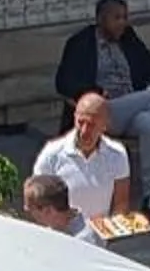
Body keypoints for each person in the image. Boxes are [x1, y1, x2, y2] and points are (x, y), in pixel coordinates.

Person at [52, 0, 150, 217]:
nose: (122, 23)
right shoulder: (81, 43)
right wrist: (94, 92)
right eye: (116, 18)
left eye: (125, 18)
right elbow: (63, 82)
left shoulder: (128, 39)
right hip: (100, 111)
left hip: (127, 109)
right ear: (101, 19)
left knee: (148, 123)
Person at [34, 91, 133, 227]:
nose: (84, 131)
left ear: (104, 125)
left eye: (91, 125)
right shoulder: (52, 154)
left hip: (100, 238)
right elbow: (38, 201)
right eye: (81, 122)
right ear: (74, 118)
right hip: (62, 237)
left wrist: (115, 228)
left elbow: (121, 203)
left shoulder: (117, 154)